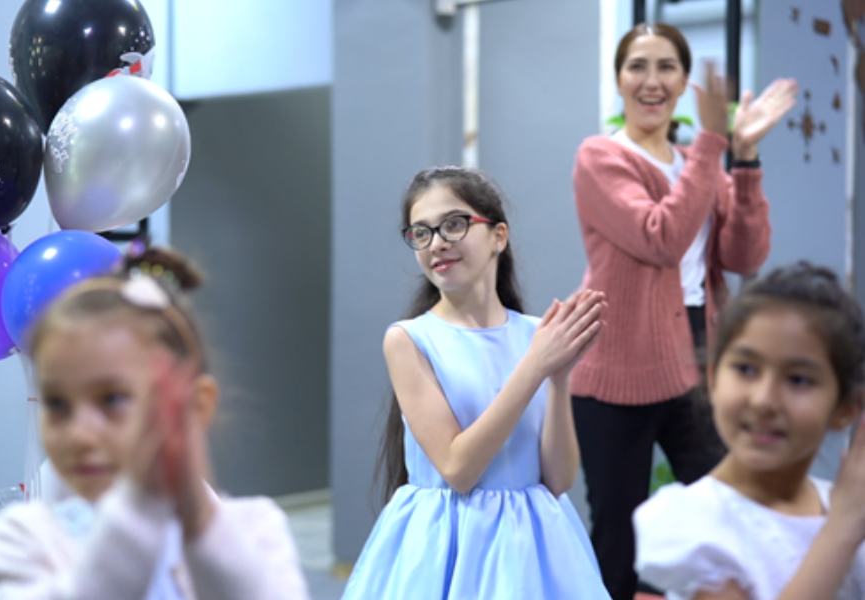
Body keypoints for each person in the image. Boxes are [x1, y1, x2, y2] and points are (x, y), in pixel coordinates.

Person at [569, 22, 797, 600]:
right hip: (618, 367)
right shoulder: (601, 157)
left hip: (696, 353)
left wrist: (745, 159)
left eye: (666, 66)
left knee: (729, 509)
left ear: (684, 81)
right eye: (637, 66)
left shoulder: (701, 162)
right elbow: (661, 237)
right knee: (619, 542)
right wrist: (716, 146)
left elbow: (745, 255)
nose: (652, 81)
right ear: (618, 79)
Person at [340, 166, 612, 599]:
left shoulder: (536, 335)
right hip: (446, 546)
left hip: (533, 546)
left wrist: (558, 379)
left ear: (498, 236)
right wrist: (536, 367)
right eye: (421, 233)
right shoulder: (409, 339)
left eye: (454, 224)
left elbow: (558, 481)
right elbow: (458, 470)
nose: (437, 243)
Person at [0, 246, 309, 600]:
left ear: (195, 406)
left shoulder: (257, 529)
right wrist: (138, 515)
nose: (80, 435)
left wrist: (197, 521)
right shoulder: (23, 538)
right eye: (57, 404)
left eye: (112, 399)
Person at [634, 262, 865, 599]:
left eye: (799, 379)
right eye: (745, 369)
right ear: (713, 378)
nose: (764, 400)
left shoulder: (845, 505)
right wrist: (841, 531)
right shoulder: (692, 522)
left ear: (845, 409)